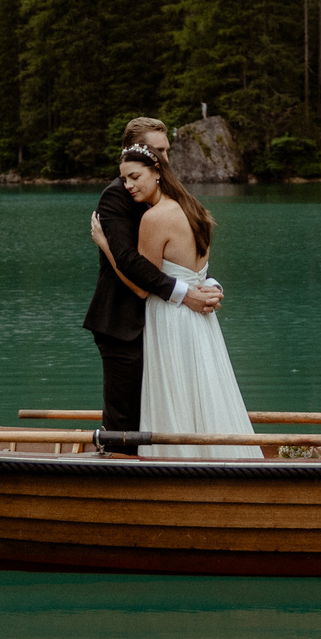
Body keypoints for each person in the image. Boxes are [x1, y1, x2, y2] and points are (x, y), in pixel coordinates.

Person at [83, 119, 221, 455]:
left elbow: (186, 249)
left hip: (161, 323)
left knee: (163, 409)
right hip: (122, 323)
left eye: (166, 151)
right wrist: (185, 294)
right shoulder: (117, 196)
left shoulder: (168, 195)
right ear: (133, 151)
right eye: (157, 150)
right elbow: (132, 264)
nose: (165, 158)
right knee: (125, 420)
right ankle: (118, 484)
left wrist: (207, 284)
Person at [115, 142, 260, 459]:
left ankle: (176, 462)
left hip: (170, 317)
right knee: (205, 388)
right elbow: (199, 273)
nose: (128, 186)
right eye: (124, 179)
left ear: (157, 173)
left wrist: (110, 250)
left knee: (177, 391)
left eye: (134, 176)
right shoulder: (197, 211)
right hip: (201, 319)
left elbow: (142, 286)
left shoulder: (155, 218)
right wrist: (212, 286)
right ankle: (221, 460)